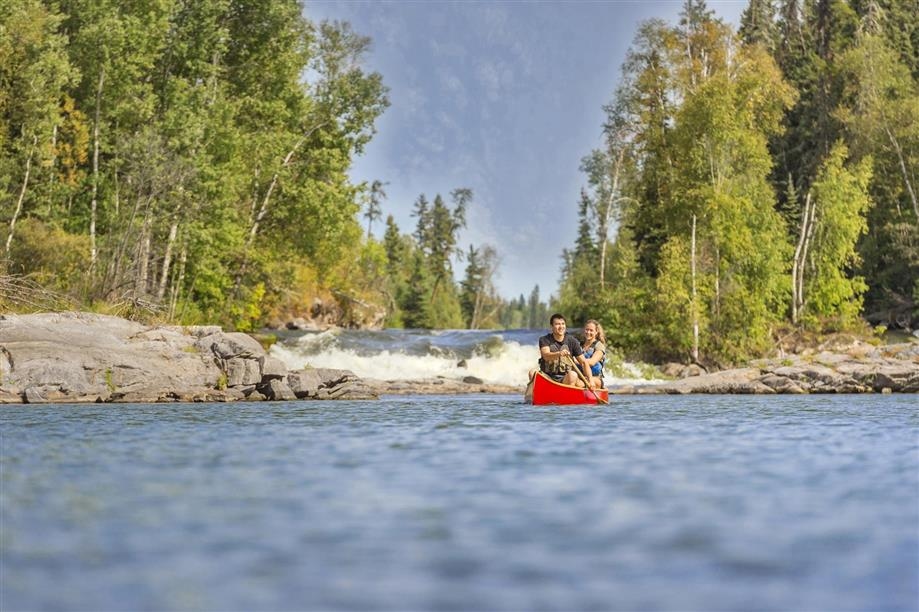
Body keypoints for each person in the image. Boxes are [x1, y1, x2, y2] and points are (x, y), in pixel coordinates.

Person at [536, 313, 591, 387]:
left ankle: (569, 395)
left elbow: (584, 362)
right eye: (557, 324)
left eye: (563, 324)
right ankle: (530, 398)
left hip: (565, 379)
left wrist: (591, 381)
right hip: (548, 377)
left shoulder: (572, 341)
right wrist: (559, 353)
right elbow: (546, 356)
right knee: (532, 373)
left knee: (573, 375)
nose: (561, 326)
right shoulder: (544, 339)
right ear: (551, 326)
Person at [581, 319, 607, 389]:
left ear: (596, 332)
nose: (588, 332)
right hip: (581, 376)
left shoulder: (599, 346)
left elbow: (592, 362)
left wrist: (576, 360)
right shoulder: (579, 345)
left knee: (578, 383)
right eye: (587, 330)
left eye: (591, 330)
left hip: (595, 379)